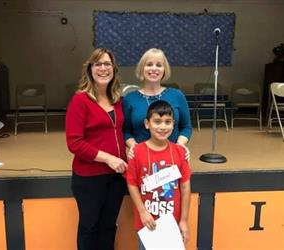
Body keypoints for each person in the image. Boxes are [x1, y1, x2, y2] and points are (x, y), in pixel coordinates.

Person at [65, 48, 127, 250]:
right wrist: (109, 158)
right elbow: (74, 142)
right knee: (90, 227)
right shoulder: (80, 100)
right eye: (98, 64)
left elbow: (121, 133)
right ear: (90, 69)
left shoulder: (118, 100)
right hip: (89, 178)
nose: (103, 68)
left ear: (114, 69)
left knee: (109, 226)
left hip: (116, 177)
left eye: (107, 64)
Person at [125, 100, 192, 250]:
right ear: (147, 123)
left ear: (173, 124)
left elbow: (185, 188)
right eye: (157, 121)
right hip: (148, 222)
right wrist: (142, 212)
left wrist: (184, 220)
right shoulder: (137, 152)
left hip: (173, 222)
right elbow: (132, 183)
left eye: (167, 122)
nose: (162, 127)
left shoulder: (179, 152)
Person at [122, 48, 192, 158]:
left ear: (164, 70)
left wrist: (180, 146)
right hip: (142, 158)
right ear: (142, 69)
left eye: (159, 65)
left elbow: (186, 127)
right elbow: (125, 131)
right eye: (149, 64)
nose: (154, 68)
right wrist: (133, 146)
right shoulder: (129, 99)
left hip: (172, 158)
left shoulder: (177, 95)